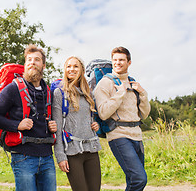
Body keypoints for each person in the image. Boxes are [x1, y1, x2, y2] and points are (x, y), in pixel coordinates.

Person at [0, 44, 58, 191]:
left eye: (37, 59)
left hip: (47, 156)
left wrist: (52, 126)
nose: (32, 62)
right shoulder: (12, 89)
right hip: (23, 157)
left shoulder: (48, 91)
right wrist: (17, 125)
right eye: (29, 60)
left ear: (43, 65)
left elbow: (47, 117)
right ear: (25, 64)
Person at [93, 47, 151, 191]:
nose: (117, 63)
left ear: (129, 62)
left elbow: (144, 114)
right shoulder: (105, 83)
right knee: (139, 178)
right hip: (118, 135)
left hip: (137, 136)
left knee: (133, 180)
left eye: (121, 60)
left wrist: (143, 93)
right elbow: (103, 113)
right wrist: (120, 94)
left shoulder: (133, 83)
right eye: (115, 60)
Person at [53, 56, 102, 191]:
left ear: (81, 69)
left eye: (75, 66)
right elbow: (57, 127)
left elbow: (88, 118)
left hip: (91, 148)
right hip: (72, 152)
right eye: (68, 66)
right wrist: (60, 156)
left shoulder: (88, 93)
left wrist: (94, 125)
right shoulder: (60, 93)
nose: (72, 69)